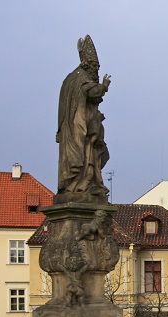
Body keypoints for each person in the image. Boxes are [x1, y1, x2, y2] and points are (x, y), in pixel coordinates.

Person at [57, 34, 112, 201]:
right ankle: (81, 185)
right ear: (89, 65)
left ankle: (82, 184)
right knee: (83, 154)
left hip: (74, 128)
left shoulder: (70, 80)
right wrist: (104, 86)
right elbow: (92, 92)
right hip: (79, 128)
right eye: (96, 66)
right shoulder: (81, 78)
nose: (97, 70)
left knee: (88, 153)